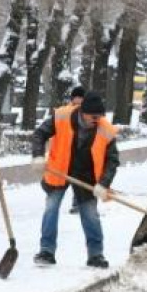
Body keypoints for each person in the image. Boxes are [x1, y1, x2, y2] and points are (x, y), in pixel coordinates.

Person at [30, 92, 119, 269]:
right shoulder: (62, 116)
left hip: (87, 174)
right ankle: (46, 251)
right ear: (83, 112)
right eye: (94, 116)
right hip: (59, 170)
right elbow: (39, 134)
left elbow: (112, 160)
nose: (98, 119)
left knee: (90, 214)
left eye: (100, 115)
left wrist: (103, 184)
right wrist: (38, 156)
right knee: (51, 209)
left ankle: (96, 254)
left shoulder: (105, 129)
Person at [67, 86, 86, 214]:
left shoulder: (87, 113)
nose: (78, 100)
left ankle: (78, 203)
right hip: (67, 151)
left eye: (81, 98)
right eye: (76, 97)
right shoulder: (65, 112)